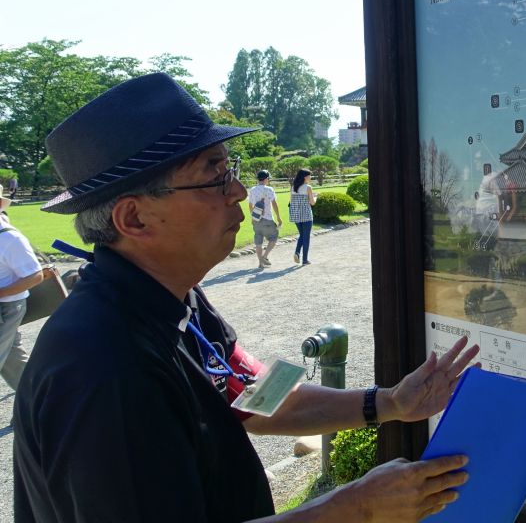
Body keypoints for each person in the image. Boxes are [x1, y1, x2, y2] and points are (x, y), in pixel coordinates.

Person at [13, 73, 478, 522]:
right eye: (213, 176)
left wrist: (391, 402)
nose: (238, 191)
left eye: (228, 168)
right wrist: (355, 508)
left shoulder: (176, 300)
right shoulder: (102, 367)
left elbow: (257, 396)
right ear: (134, 219)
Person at [0, 187, 44, 391]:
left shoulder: (10, 239)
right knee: (11, 359)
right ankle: (37, 404)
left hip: (6, 309)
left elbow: (35, 276)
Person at [248, 170, 282, 268]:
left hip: (256, 220)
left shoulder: (253, 190)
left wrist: (253, 217)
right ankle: (265, 256)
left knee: (258, 241)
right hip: (268, 219)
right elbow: (274, 204)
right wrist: (279, 217)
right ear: (266, 178)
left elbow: (250, 205)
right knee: (274, 237)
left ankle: (260, 263)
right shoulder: (269, 189)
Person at [289, 168, 317, 266]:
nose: (310, 177)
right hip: (306, 215)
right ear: (305, 177)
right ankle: (305, 260)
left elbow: (291, 202)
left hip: (296, 215)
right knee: (306, 237)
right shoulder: (308, 187)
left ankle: (297, 253)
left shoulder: (293, 187)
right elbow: (312, 203)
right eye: (309, 175)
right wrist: (315, 197)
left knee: (302, 235)